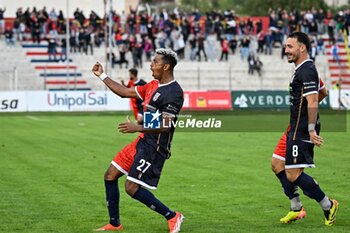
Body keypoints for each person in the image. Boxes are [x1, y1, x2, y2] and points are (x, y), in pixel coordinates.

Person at [91, 48, 184, 232]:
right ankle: (115, 224)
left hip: (155, 147)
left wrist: (136, 127)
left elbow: (166, 125)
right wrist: (102, 75)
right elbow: (125, 92)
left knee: (131, 187)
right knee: (110, 175)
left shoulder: (174, 92)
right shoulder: (152, 85)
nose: (151, 64)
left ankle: (173, 216)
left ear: (166, 66)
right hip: (143, 140)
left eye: (155, 62)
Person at [274, 31, 338, 226]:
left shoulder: (307, 70)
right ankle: (296, 208)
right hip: (294, 126)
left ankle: (328, 205)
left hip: (302, 129)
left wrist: (310, 128)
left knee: (293, 173)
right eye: (286, 47)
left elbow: (313, 100)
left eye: (290, 47)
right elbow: (323, 92)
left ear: (302, 47)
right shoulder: (304, 69)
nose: (286, 50)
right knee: (277, 164)